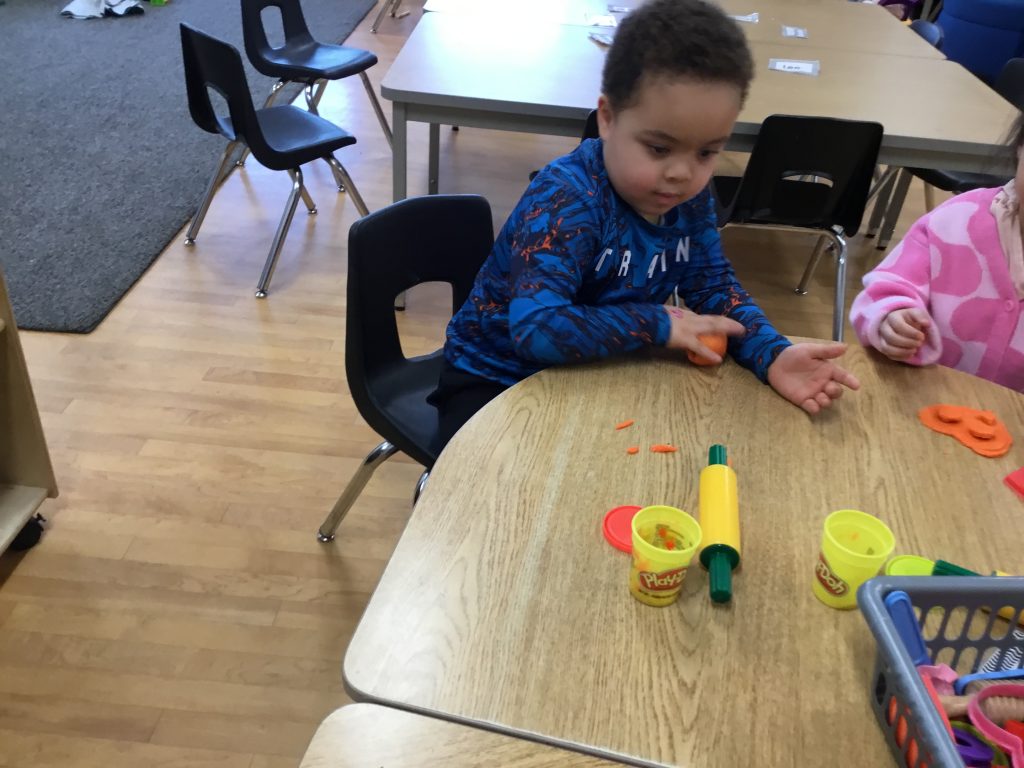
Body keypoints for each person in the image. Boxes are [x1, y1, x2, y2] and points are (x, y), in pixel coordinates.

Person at [429, 0, 860, 443]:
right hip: (495, 380)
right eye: (659, 148)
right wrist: (657, 322)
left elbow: (713, 286)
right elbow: (536, 330)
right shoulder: (567, 199)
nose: (682, 173)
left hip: (599, 372)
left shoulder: (688, 197)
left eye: (707, 152)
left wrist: (771, 353)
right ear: (608, 118)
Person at [850, 112, 1024, 391]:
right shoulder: (954, 221)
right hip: (924, 396)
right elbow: (890, 287)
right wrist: (892, 317)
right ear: (1019, 148)